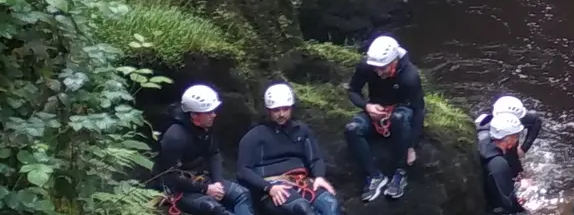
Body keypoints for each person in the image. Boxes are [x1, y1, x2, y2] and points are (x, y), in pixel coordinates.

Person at [343, 35, 425, 202]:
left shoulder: (409, 76)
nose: (379, 73)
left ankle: (400, 172)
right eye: (376, 68)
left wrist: (411, 146)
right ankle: (374, 176)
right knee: (352, 129)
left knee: (399, 118)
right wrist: (367, 107)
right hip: (375, 109)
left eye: (383, 68)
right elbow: (353, 90)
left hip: (401, 110)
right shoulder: (367, 66)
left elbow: (418, 110)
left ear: (394, 61)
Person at [237, 83, 340, 215]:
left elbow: (315, 159)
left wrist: (319, 176)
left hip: (302, 182)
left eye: (285, 109)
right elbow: (243, 171)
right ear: (268, 110)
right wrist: (268, 188)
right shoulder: (254, 136)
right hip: (273, 187)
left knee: (330, 204)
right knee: (302, 209)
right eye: (276, 110)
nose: (281, 114)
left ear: (291, 108)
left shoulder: (302, 131)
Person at [153, 84, 255, 215]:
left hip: (203, 179)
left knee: (243, 194)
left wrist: (218, 182)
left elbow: (214, 154)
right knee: (212, 208)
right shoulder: (175, 137)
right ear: (194, 115)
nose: (214, 115)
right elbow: (169, 176)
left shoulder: (206, 127)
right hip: (181, 189)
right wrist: (205, 189)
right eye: (209, 112)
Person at [479, 112, 528, 214]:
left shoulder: (484, 141)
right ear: (509, 139)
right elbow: (509, 202)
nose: (517, 139)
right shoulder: (499, 164)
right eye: (516, 136)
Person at [474, 95, 542, 154]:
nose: (516, 122)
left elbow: (536, 121)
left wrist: (523, 148)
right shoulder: (484, 131)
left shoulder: (513, 121)